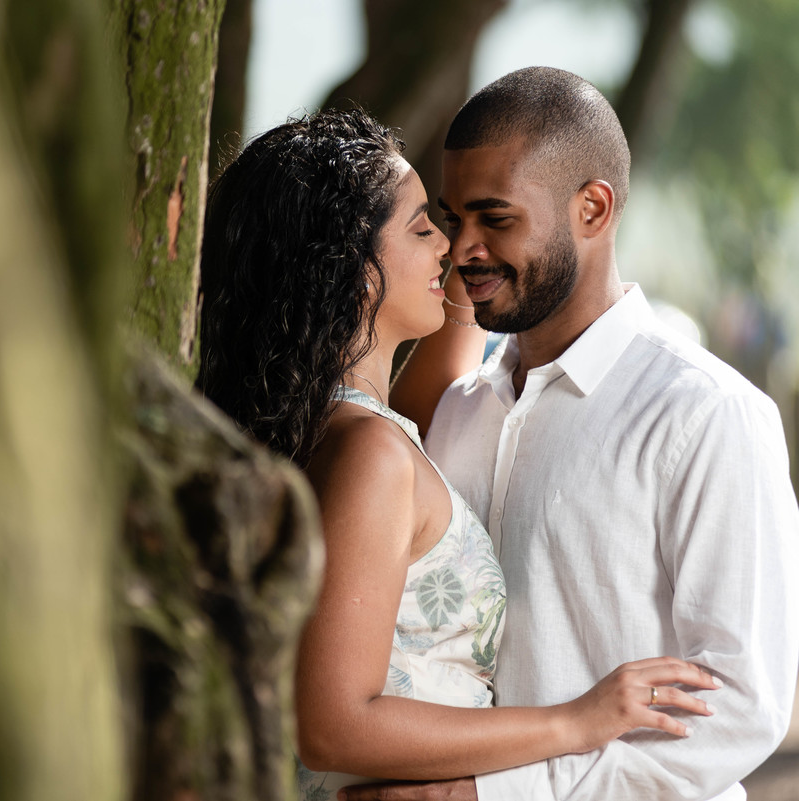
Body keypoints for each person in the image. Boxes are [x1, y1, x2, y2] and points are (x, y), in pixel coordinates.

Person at [196, 107, 719, 799]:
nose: (450, 243)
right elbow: (333, 722)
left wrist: (488, 254)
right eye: (425, 226)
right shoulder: (370, 456)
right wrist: (576, 720)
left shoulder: (352, 431)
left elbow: (446, 367)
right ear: (350, 269)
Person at [342, 67, 799, 800]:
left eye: (496, 218)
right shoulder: (460, 412)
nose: (463, 250)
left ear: (593, 207)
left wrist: (495, 794)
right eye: (454, 219)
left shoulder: (708, 414)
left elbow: (742, 706)